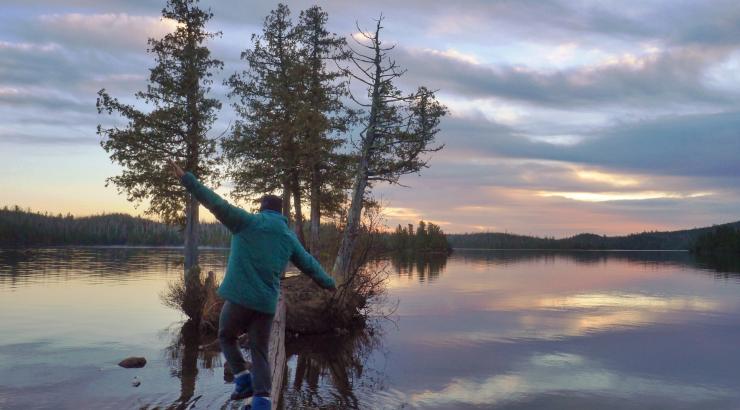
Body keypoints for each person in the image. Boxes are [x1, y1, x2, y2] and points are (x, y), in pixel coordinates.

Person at [168, 160, 336, 410]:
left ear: (262, 209)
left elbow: (215, 202)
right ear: (281, 214)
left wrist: (187, 179)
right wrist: (329, 283)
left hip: (240, 298)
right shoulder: (288, 237)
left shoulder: (246, 222)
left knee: (226, 336)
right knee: (260, 353)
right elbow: (309, 264)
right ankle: (261, 403)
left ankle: (243, 380)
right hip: (266, 305)